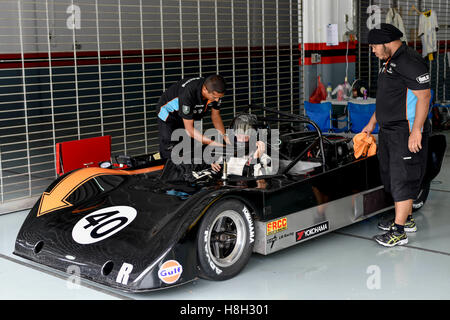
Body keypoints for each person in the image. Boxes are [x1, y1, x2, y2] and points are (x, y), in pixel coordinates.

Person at [362, 23, 431, 247]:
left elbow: (424, 98)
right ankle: (406, 218)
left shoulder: (409, 61)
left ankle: (399, 232)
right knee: (391, 177)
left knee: (403, 178)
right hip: (388, 130)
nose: (372, 51)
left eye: (374, 46)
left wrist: (416, 131)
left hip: (406, 131)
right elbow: (386, 98)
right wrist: (371, 123)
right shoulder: (389, 61)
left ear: (387, 43)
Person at [156, 75, 230, 160]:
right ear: (205, 90)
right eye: (215, 97)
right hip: (169, 113)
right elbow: (190, 130)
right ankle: (167, 168)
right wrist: (211, 142)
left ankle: (187, 170)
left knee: (189, 147)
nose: (217, 100)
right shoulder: (188, 94)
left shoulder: (216, 92)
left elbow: (216, 116)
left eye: (220, 97)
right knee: (170, 149)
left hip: (187, 114)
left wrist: (225, 137)